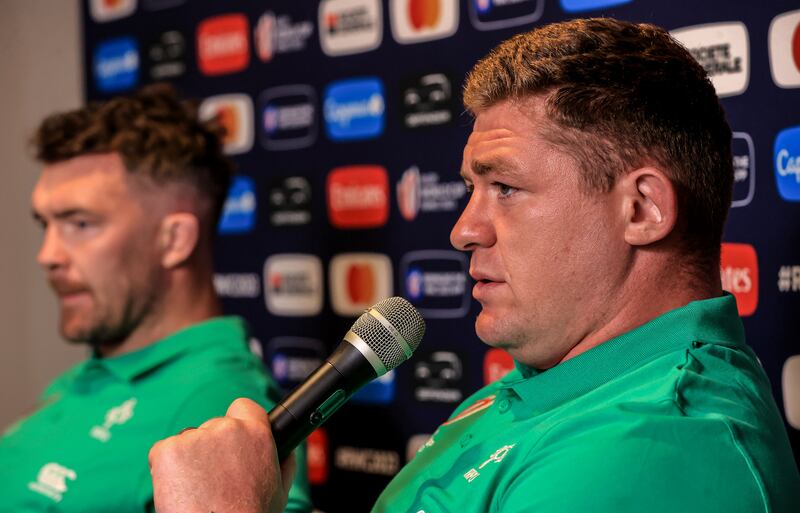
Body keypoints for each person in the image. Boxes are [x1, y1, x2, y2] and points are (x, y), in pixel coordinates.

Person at [148, 18, 800, 513]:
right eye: (470, 189)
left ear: (643, 209)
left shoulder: (659, 445)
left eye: (506, 189)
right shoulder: (555, 376)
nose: (463, 229)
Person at [0, 84, 312, 513]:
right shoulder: (88, 375)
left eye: (80, 223)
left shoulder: (219, 409)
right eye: (46, 225)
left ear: (175, 240)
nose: (47, 256)